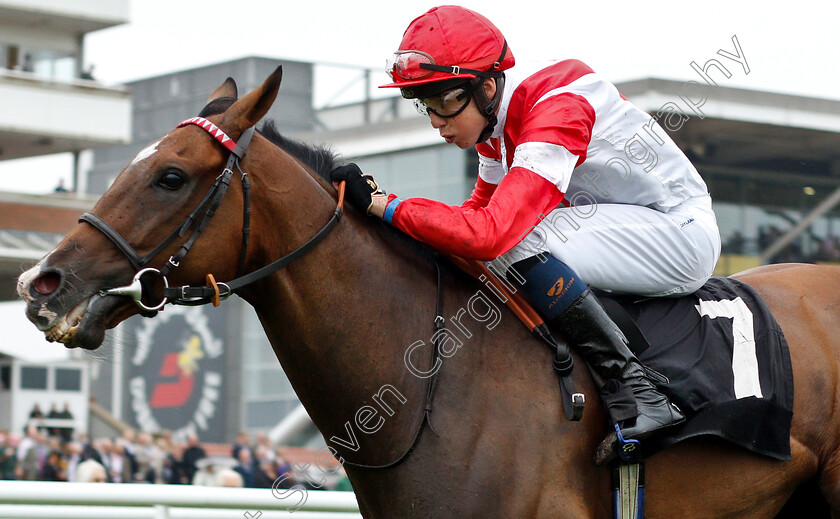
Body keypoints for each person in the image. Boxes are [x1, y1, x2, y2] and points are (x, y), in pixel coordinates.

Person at [330, 5, 722, 450]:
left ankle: (637, 387)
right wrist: (391, 216)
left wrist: (387, 207)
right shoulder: (495, 127)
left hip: (680, 232)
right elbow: (472, 219)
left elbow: (490, 234)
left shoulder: (555, 110)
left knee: (515, 240)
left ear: (488, 86)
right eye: (426, 105)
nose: (437, 121)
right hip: (624, 225)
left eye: (445, 102)